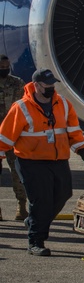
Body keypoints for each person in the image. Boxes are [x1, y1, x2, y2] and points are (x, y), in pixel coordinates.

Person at [0, 69, 84, 256]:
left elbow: (73, 130)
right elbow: (5, 136)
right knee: (40, 201)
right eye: (46, 85)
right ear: (36, 86)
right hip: (30, 161)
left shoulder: (64, 105)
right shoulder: (21, 107)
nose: (51, 88)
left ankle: (35, 221)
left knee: (64, 194)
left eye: (52, 85)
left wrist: (82, 151)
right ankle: (35, 241)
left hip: (58, 160)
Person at [0, 55, 28, 221]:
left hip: (13, 136)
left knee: (17, 172)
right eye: (1, 65)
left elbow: (25, 107)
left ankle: (21, 207)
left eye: (6, 65)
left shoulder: (18, 83)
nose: (4, 68)